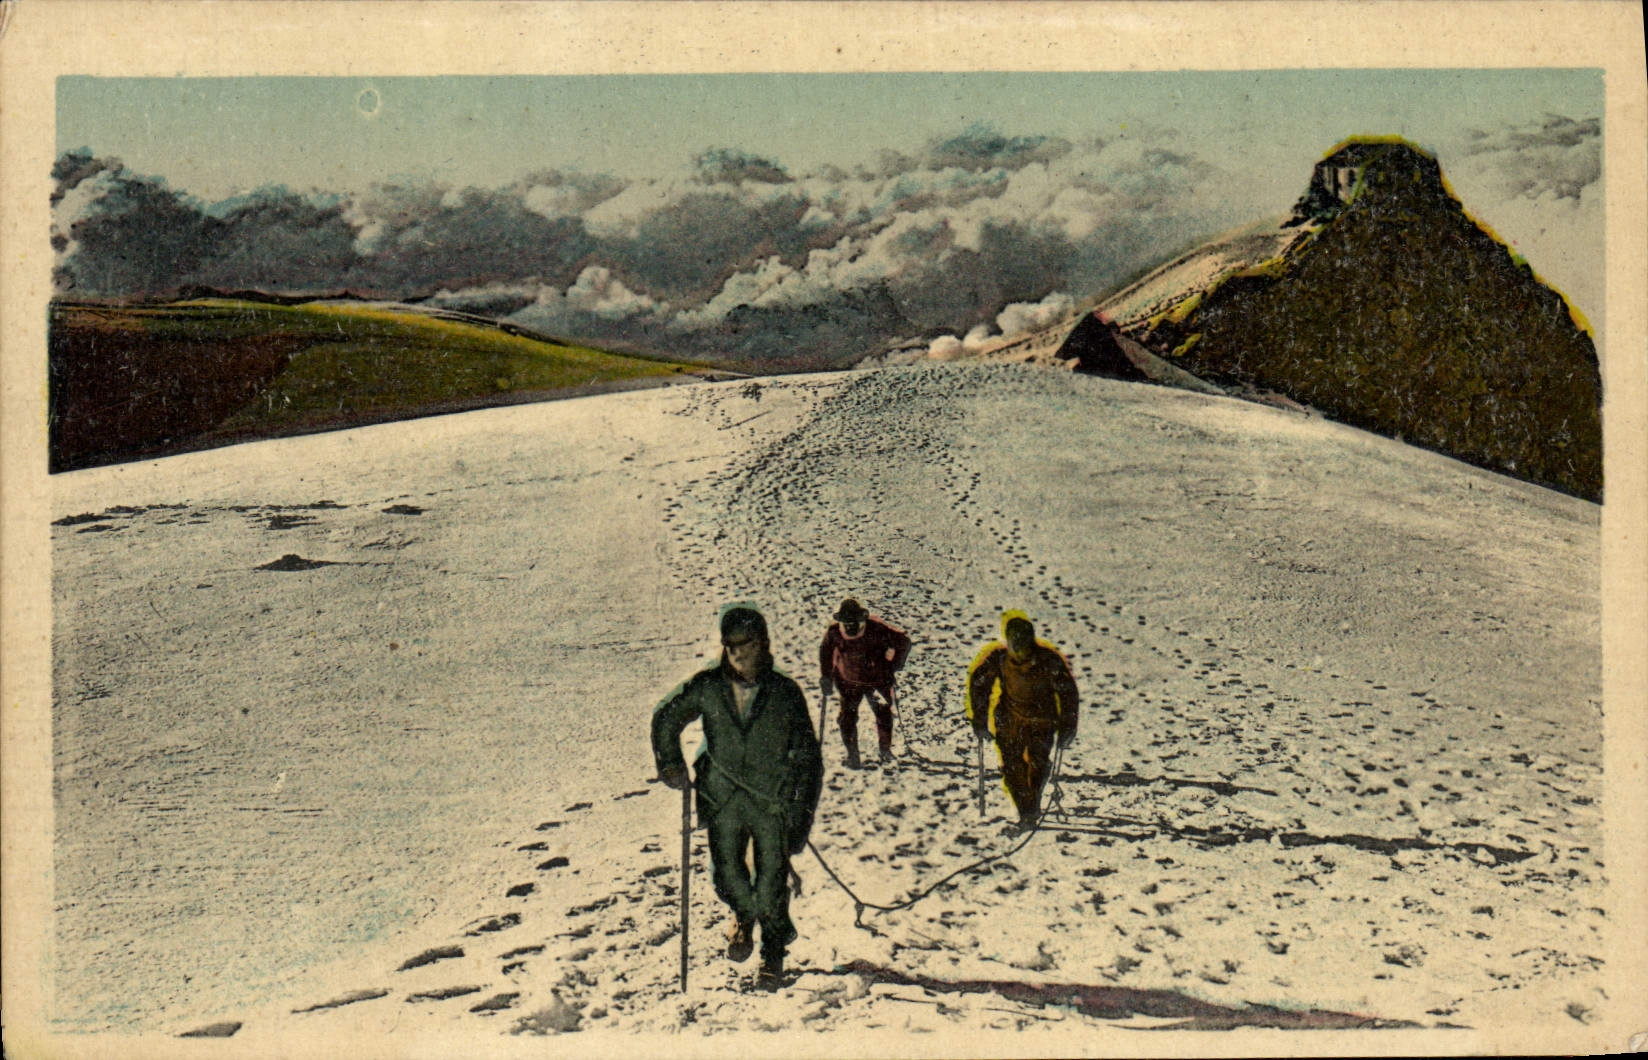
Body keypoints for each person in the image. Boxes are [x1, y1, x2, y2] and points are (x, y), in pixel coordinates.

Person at [652, 604, 823, 991]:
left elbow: (810, 761)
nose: (739, 655)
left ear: (763, 644)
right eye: (731, 647)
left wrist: (800, 815)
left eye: (746, 646)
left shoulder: (785, 693)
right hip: (723, 800)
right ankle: (745, 916)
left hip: (771, 803)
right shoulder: (708, 685)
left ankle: (772, 956)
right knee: (727, 877)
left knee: (771, 883)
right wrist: (672, 765)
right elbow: (667, 717)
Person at [966, 610, 1079, 832]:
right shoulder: (999, 659)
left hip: (1042, 721)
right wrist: (979, 722)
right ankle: (1026, 812)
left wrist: (1068, 727)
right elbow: (979, 685)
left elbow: (1068, 693)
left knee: (1038, 766)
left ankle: (1032, 805)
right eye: (1014, 645)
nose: (1019, 652)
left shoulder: (1049, 660)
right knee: (1013, 769)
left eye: (1024, 646)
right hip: (1009, 721)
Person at [818, 598, 911, 768]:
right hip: (848, 685)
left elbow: (903, 642)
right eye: (847, 624)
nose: (851, 627)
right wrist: (826, 676)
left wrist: (893, 666)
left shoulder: (876, 630)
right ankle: (853, 757)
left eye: (854, 623)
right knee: (847, 720)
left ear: (862, 620)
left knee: (883, 716)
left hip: (876, 683)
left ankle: (885, 752)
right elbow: (825, 652)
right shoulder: (834, 633)